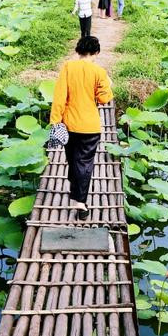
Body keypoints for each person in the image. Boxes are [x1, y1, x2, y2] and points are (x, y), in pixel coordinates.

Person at [50, 36, 113, 219]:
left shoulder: (68, 67)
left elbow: (59, 97)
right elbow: (103, 99)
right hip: (90, 127)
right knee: (84, 163)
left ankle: (74, 185)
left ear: (78, 50)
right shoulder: (99, 72)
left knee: (72, 158)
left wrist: (55, 122)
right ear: (97, 52)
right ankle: (80, 203)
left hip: (69, 124)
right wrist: (108, 85)